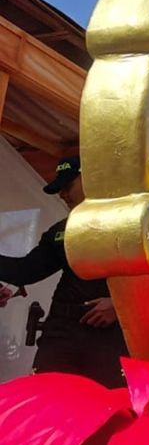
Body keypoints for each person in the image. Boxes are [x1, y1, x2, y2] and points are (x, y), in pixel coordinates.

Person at [0, 156, 128, 387]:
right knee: (48, 398)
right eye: (59, 189)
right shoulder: (60, 231)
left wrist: (121, 306)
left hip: (109, 336)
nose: (62, 195)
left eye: (67, 186)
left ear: (89, 178)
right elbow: (25, 272)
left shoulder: (130, 222)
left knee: (104, 407)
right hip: (62, 330)